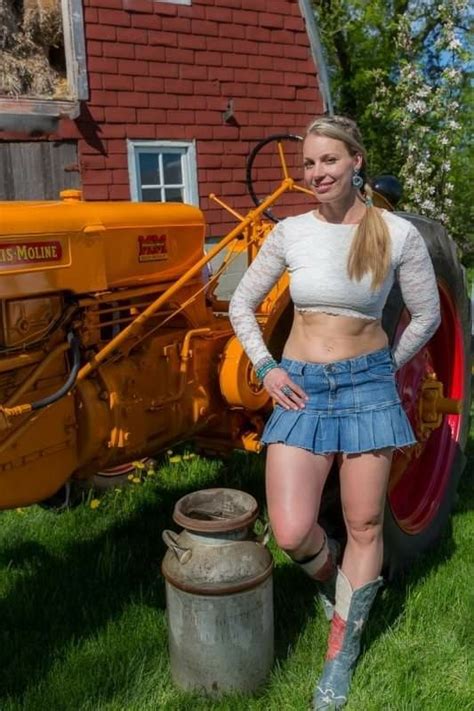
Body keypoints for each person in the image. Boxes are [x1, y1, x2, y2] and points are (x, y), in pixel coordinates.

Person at [228, 115, 440, 710]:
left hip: (368, 387)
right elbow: (242, 304)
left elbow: (427, 315)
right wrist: (269, 370)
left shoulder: (396, 234)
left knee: (365, 525)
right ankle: (335, 585)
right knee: (293, 530)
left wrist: (385, 366)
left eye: (328, 161)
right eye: (309, 165)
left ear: (356, 161)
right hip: (301, 389)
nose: (316, 173)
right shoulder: (291, 232)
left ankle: (340, 655)